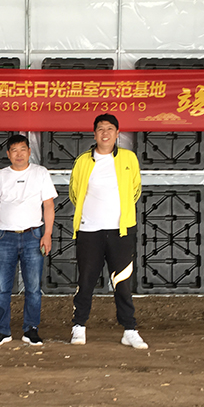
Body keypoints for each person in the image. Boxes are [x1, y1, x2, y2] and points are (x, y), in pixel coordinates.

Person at [68, 113, 148, 349]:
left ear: (117, 133)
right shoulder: (83, 161)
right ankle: (79, 326)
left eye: (110, 129)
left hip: (120, 232)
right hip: (89, 231)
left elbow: (135, 189)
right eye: (101, 129)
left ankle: (130, 329)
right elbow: (74, 192)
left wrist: (121, 213)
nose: (105, 133)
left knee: (122, 282)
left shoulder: (128, 158)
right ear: (94, 134)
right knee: (86, 280)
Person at [0, 134, 56, 346]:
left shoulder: (40, 173)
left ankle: (31, 329)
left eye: (23, 150)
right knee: (2, 288)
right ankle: (2, 330)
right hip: (5, 236)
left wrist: (47, 234)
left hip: (33, 236)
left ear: (29, 152)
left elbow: (48, 205)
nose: (19, 154)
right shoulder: (0, 177)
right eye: (14, 150)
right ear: (8, 154)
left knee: (33, 288)